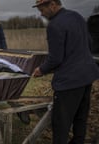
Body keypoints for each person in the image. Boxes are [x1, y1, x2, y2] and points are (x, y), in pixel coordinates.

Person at [32, 0, 99, 143]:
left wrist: (41, 70)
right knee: (81, 119)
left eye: (42, 9)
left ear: (53, 5)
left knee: (61, 125)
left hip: (69, 82)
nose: (41, 13)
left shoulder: (54, 25)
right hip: (87, 76)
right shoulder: (77, 16)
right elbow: (89, 43)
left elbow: (55, 58)